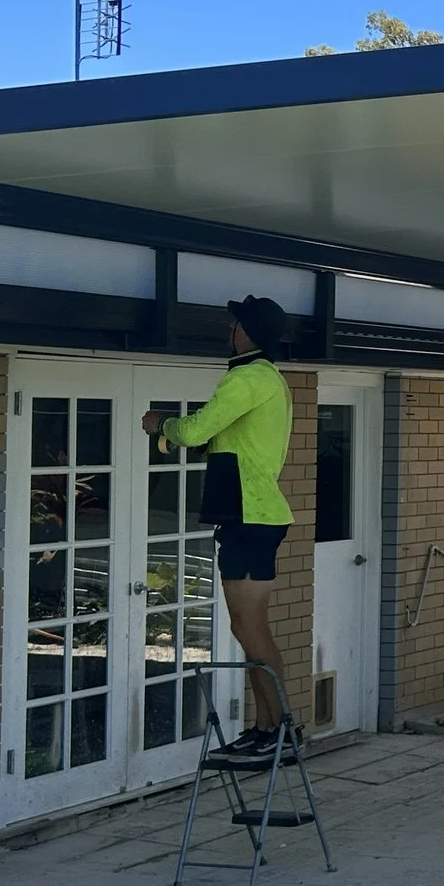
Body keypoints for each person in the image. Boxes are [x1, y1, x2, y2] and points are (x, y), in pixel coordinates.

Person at [141, 295, 295, 761]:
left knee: (251, 630)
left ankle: (281, 732)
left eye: (234, 323)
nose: (228, 328)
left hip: (250, 517)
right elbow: (222, 442)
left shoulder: (248, 377)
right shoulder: (268, 378)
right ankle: (266, 727)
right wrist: (175, 437)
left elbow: (196, 430)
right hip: (249, 515)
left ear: (245, 331)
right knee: (247, 629)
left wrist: (160, 424)